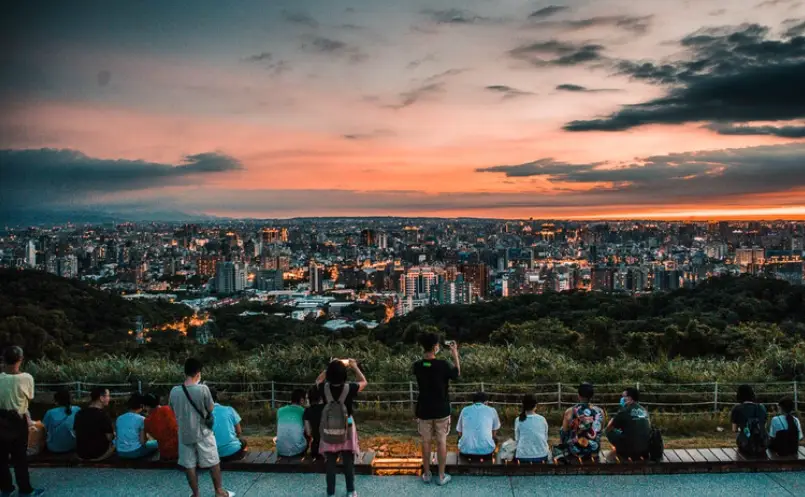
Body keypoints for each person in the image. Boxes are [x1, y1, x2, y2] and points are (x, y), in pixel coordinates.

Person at [170, 358, 234, 497]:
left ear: (185, 372)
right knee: (213, 461)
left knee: (189, 465)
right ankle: (219, 491)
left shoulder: (174, 391)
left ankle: (195, 494)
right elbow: (210, 408)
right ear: (198, 373)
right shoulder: (203, 389)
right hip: (203, 432)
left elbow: (172, 409)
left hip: (184, 434)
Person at [315, 359, 368, 497]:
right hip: (347, 428)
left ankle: (330, 492)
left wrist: (331, 366)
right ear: (344, 375)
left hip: (329, 429)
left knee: (330, 463)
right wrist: (354, 366)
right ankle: (351, 490)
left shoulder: (324, 388)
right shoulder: (349, 388)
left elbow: (318, 380)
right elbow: (364, 382)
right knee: (348, 462)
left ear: (329, 374)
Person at [412, 333, 460, 486]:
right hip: (441, 410)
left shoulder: (417, 366)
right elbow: (456, 374)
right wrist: (455, 354)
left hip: (424, 409)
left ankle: (426, 474)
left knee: (425, 442)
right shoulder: (443, 365)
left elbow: (427, 366)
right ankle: (440, 476)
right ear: (435, 347)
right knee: (441, 442)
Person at [0, 346, 44, 497]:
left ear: (3, 360)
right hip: (18, 421)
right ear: (21, 360)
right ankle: (25, 490)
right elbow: (30, 397)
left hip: (0, 419)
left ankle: (6, 488)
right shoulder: (26, 378)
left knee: (1, 458)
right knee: (20, 458)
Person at [560, 382, 605, 460]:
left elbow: (565, 430)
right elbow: (600, 429)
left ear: (578, 395)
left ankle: (566, 451)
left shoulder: (570, 411)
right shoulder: (600, 411)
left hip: (575, 451)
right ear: (592, 396)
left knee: (562, 430)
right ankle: (594, 451)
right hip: (594, 450)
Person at [606, 387, 651, 461]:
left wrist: (614, 417)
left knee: (609, 431)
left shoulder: (625, 410)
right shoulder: (644, 410)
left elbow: (610, 427)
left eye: (623, 397)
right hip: (645, 449)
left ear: (629, 398)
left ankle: (621, 450)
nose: (622, 399)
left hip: (630, 449)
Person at [74, 387, 115, 461]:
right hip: (98, 454)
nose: (109, 398)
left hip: (81, 453)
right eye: (108, 396)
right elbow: (109, 437)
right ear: (101, 398)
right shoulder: (103, 415)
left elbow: (75, 433)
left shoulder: (79, 413)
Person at [456, 392, 501, 458]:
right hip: (487, 452)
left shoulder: (465, 410)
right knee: (495, 439)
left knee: (459, 439)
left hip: (465, 451)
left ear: (473, 402)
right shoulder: (492, 410)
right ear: (486, 402)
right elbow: (494, 433)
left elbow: (459, 432)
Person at [115, 394, 158, 459]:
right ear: (142, 406)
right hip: (134, 451)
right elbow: (142, 442)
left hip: (120, 451)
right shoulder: (141, 419)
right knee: (157, 443)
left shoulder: (119, 418)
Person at [211, 388, 248, 462]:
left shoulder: (201, 415)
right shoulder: (229, 409)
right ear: (217, 397)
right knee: (243, 441)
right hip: (234, 452)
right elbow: (239, 432)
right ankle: (243, 457)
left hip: (212, 455)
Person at [731, 384, 768, 456]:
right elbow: (764, 426)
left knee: (741, 435)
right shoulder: (761, 407)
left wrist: (743, 429)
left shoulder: (737, 408)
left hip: (745, 445)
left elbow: (734, 429)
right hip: (762, 444)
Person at [42, 388, 80, 454]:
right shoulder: (77, 409)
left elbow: (43, 430)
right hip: (73, 446)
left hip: (53, 447)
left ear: (56, 401)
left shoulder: (50, 413)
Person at [514, 394, 549, 463]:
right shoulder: (542, 419)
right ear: (535, 405)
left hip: (522, 456)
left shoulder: (518, 420)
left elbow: (517, 439)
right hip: (542, 455)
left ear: (523, 405)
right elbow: (545, 438)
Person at [143, 393, 179, 461]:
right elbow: (176, 428)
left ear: (146, 406)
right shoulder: (167, 409)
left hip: (164, 452)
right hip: (178, 448)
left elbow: (152, 437)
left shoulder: (147, 421)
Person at [276, 388, 307, 457]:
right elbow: (308, 431)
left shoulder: (280, 410)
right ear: (302, 400)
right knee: (307, 432)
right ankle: (304, 456)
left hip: (280, 450)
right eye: (306, 399)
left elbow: (278, 428)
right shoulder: (304, 412)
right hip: (297, 451)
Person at [303, 386, 324, 458]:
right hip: (330, 448)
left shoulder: (307, 411)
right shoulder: (328, 408)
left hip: (316, 449)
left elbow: (308, 432)